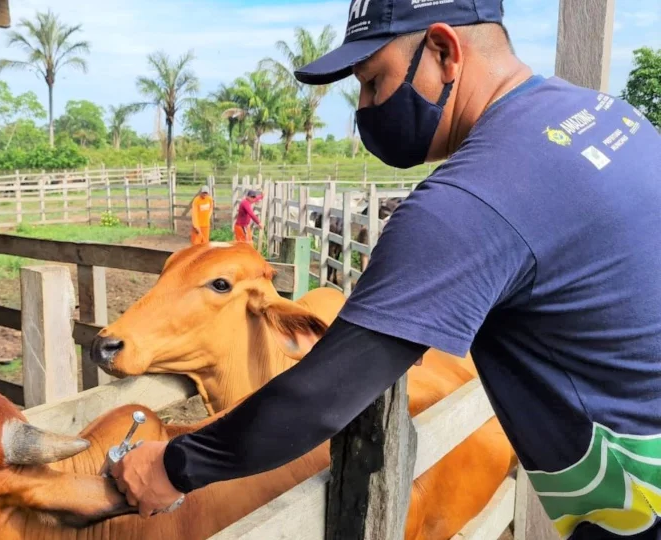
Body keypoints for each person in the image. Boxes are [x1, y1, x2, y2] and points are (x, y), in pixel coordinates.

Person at [110, 1, 661, 538]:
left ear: (444, 50)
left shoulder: (469, 200)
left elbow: (322, 395)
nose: (368, 108)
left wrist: (174, 466)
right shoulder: (608, 116)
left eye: (374, 82)